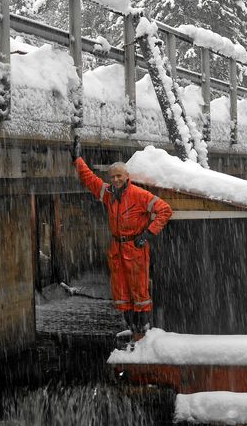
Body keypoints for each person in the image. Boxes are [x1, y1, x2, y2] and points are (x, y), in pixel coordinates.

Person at [71, 136, 172, 342]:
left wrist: (148, 233)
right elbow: (90, 180)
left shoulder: (139, 195)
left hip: (135, 247)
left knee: (139, 291)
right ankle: (132, 328)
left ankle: (143, 332)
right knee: (121, 293)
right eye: (113, 177)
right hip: (117, 249)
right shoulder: (108, 194)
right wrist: (77, 159)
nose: (116, 180)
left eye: (119, 176)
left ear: (127, 177)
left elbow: (165, 210)